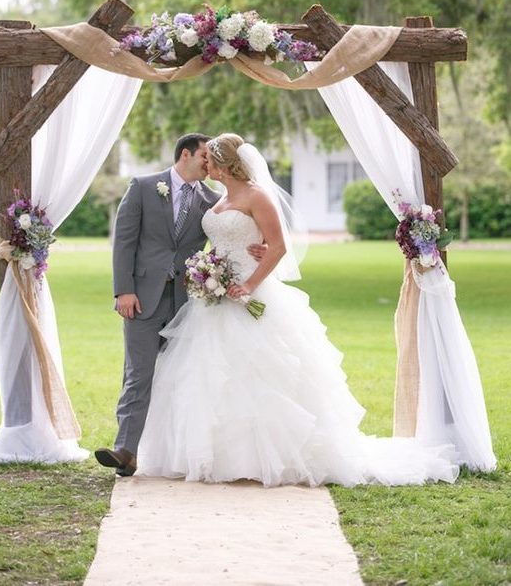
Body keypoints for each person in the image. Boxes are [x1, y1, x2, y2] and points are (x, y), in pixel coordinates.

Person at [135, 133, 460, 487]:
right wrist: (209, 271)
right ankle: (212, 455)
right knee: (207, 375)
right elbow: (225, 241)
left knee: (262, 374)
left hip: (250, 292)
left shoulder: (257, 196)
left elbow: (277, 247)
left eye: (209, 160)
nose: (205, 165)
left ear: (223, 163)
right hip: (215, 297)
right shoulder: (218, 198)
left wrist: (249, 284)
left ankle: (269, 458)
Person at [95, 132, 265, 477]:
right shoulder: (143, 186)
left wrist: (258, 246)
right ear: (185, 154)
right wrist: (123, 290)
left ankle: (177, 452)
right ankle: (125, 450)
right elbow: (124, 242)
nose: (210, 162)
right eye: (205, 155)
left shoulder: (212, 199)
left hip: (190, 304)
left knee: (183, 378)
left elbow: (238, 228)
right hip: (142, 298)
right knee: (138, 373)